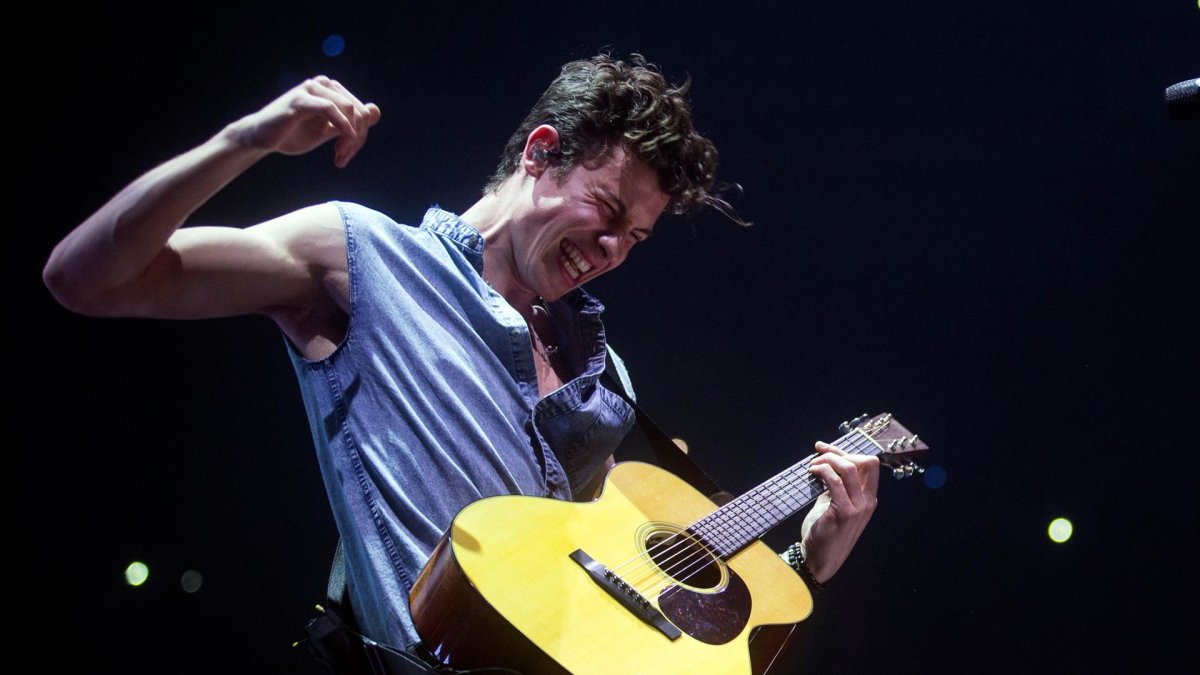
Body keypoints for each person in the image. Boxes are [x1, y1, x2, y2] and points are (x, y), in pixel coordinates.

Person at [43, 54, 880, 672]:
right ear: (539, 152)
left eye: (636, 237)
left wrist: (804, 561)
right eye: (606, 209)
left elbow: (606, 596)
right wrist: (246, 140)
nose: (613, 250)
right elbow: (85, 279)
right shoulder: (361, 259)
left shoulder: (607, 375)